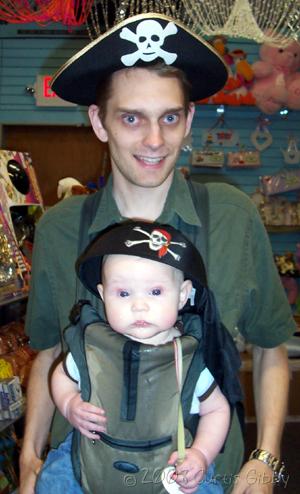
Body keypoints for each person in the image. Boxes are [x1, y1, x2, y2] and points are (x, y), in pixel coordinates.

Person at [19, 10, 295, 494]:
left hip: (201, 476)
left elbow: (270, 346)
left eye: (169, 117)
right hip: (84, 475)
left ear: (188, 120)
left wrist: (266, 458)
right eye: (131, 118)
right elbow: (49, 352)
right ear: (98, 122)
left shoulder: (231, 217)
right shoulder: (62, 228)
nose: (154, 140)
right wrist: (28, 458)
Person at [35, 221, 232, 494]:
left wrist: (201, 453)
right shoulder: (94, 347)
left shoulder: (186, 358)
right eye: (124, 293)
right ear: (104, 296)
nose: (139, 305)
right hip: (92, 452)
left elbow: (217, 409)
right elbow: (62, 375)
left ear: (182, 295)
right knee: (51, 483)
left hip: (167, 460)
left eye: (155, 291)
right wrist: (69, 403)